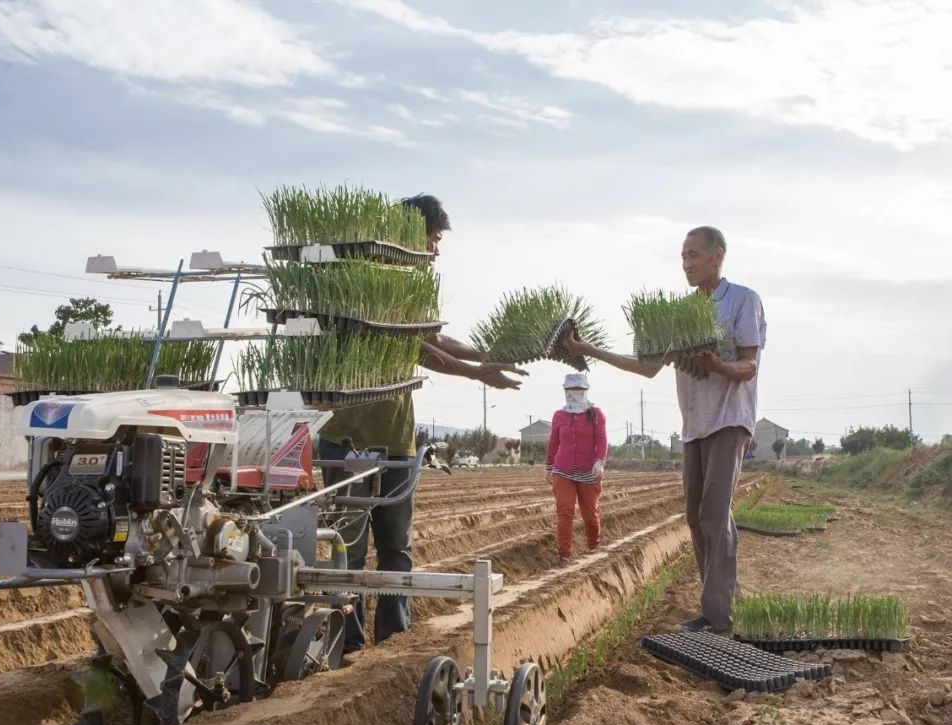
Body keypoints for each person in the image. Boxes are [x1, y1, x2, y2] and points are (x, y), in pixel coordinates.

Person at [319, 194, 526, 652]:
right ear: (410, 234)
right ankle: (347, 644)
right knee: (348, 548)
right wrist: (478, 373)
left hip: (396, 439)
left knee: (396, 547)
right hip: (349, 437)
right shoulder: (368, 283)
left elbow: (432, 339)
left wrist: (492, 355)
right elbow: (420, 351)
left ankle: (393, 640)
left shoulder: (413, 291)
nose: (436, 251)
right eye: (433, 239)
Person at [562, 225, 766, 633]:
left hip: (729, 420)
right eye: (683, 257)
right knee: (694, 514)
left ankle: (718, 615)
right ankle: (725, 603)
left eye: (694, 255)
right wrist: (587, 350)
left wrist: (720, 367)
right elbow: (647, 367)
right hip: (694, 425)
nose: (687, 263)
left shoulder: (743, 300)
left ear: (718, 256)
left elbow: (750, 363)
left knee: (713, 512)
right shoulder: (679, 315)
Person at [545, 373, 607, 566]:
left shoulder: (595, 413)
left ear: (585, 391)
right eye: (571, 391)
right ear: (566, 391)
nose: (575, 394)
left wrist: (600, 461)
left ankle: (593, 546)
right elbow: (554, 442)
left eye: (579, 391)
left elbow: (602, 440)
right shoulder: (559, 415)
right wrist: (548, 466)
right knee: (565, 513)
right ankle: (564, 554)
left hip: (589, 471)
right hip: (562, 471)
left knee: (590, 514)